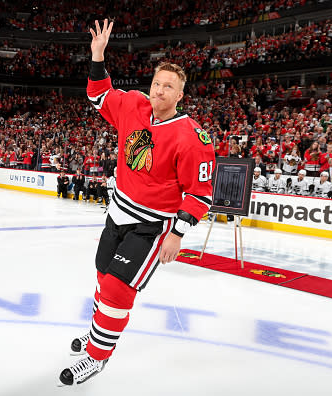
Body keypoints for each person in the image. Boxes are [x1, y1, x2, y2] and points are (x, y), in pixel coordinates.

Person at [59, 19, 215, 386]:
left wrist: (177, 234)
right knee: (102, 277)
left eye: (169, 87)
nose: (160, 91)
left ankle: (97, 356)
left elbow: (200, 194)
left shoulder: (194, 138)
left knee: (117, 288)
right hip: (117, 212)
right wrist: (98, 57)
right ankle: (99, 330)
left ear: (180, 96)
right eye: (157, 83)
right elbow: (99, 94)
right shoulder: (133, 105)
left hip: (152, 226)